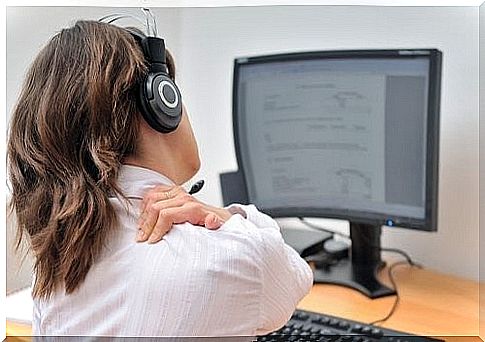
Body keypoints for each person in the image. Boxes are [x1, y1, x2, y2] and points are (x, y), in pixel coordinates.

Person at [7, 19, 313, 337]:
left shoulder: (58, 264)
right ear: (161, 103)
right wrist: (226, 218)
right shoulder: (217, 259)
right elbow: (293, 277)